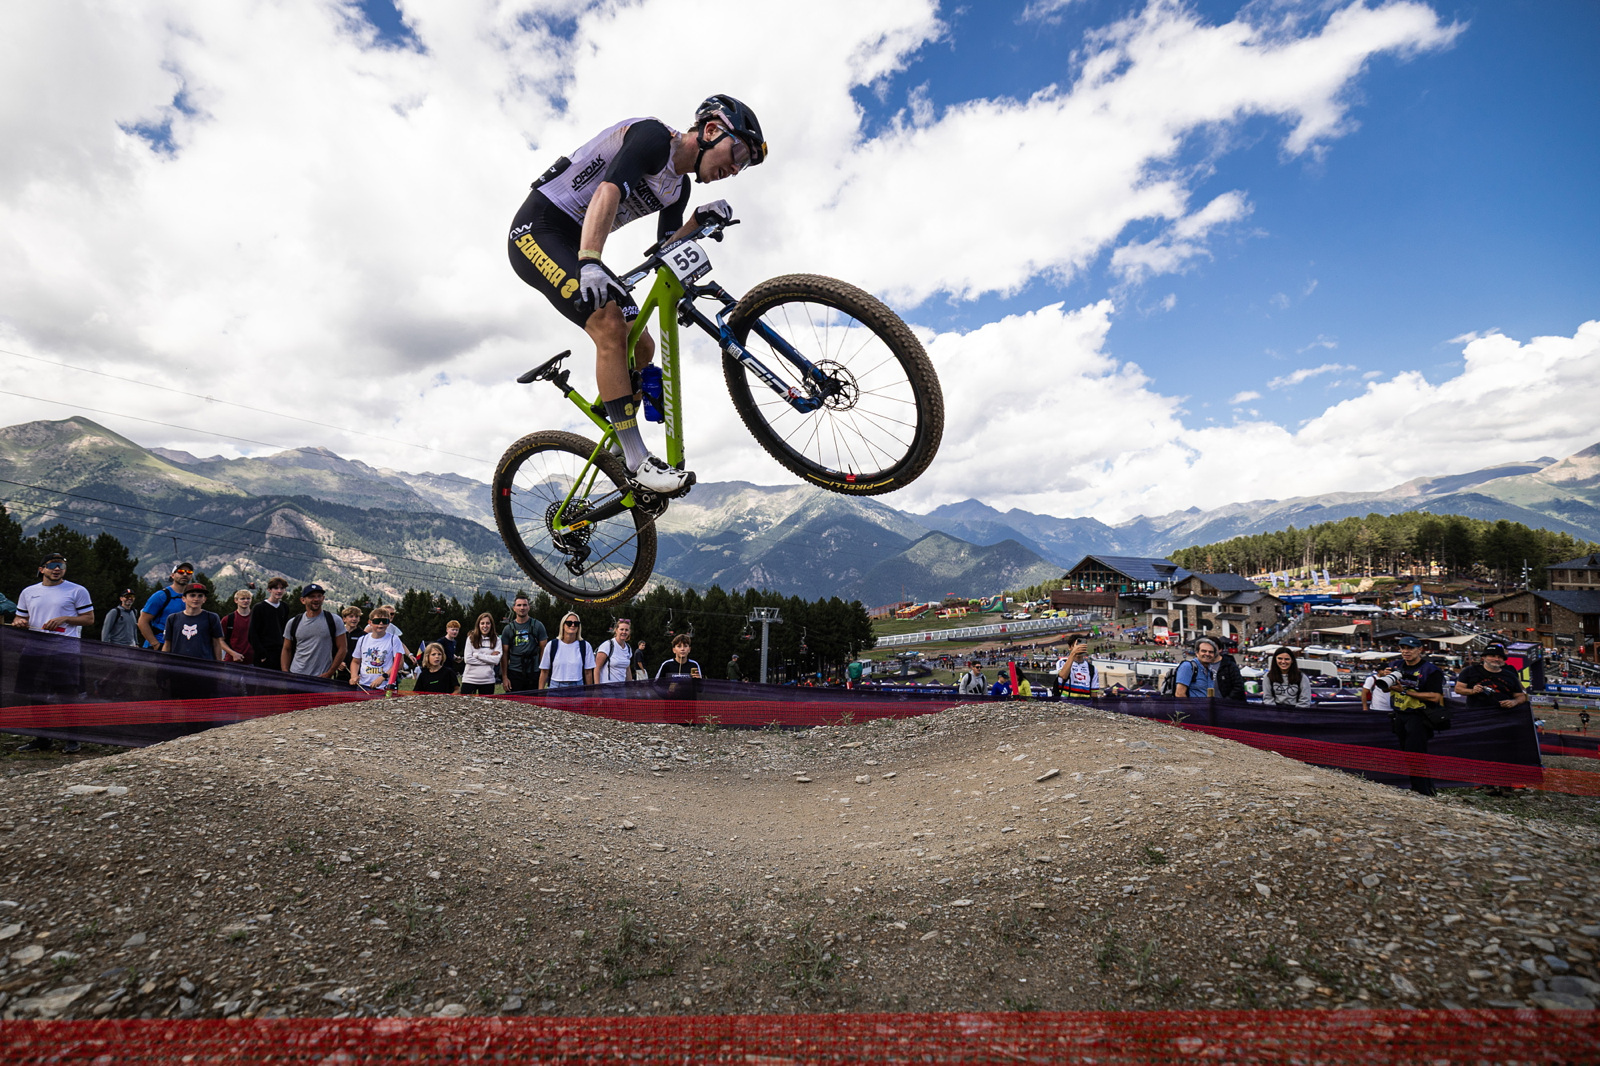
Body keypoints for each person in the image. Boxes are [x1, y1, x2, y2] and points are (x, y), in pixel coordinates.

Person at [507, 94, 767, 495]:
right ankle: (635, 458)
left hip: (578, 243)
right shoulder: (653, 138)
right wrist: (591, 261)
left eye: (744, 166)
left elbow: (665, 250)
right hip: (538, 230)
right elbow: (608, 191)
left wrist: (698, 220)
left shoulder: (677, 188)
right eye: (739, 154)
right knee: (609, 325)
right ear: (712, 130)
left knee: (642, 347)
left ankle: (616, 429)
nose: (735, 169)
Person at [11, 553, 95, 752]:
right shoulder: (28, 592)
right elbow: (19, 618)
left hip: (64, 649)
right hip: (34, 649)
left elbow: (89, 619)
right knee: (36, 694)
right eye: (52, 565)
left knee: (67, 694)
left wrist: (65, 618)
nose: (57, 569)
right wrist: (19, 622)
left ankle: (73, 739)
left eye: (61, 566)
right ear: (41, 569)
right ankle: (42, 738)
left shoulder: (77, 590)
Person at [1388, 635, 1446, 797]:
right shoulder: (1395, 665)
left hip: (1419, 715)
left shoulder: (1430, 670)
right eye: (1403, 648)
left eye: (1410, 648)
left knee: (1416, 753)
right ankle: (1418, 787)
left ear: (1420, 650)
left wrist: (1405, 691)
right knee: (1407, 753)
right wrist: (1386, 679)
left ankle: (1423, 790)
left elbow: (1435, 697)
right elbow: (1385, 689)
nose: (1406, 651)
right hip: (1399, 714)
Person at [281, 583, 345, 679]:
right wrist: (285, 672)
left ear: (323, 598)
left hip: (321, 678)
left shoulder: (334, 620)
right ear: (303, 600)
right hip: (296, 675)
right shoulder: (293, 623)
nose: (316, 599)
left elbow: (343, 648)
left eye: (319, 596)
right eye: (311, 596)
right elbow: (286, 649)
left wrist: (330, 673)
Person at [162, 584, 229, 661]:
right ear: (184, 598)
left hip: (204, 664)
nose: (196, 599)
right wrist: (163, 663)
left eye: (200, 596)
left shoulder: (212, 618)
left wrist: (218, 664)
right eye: (192, 595)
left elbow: (216, 643)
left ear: (204, 599)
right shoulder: (173, 618)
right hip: (178, 664)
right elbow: (167, 644)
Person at [350, 608, 413, 690]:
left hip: (385, 686)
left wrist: (383, 677)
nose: (381, 624)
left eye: (384, 621)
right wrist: (354, 676)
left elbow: (399, 663)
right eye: (377, 621)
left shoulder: (393, 639)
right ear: (370, 622)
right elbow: (356, 661)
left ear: (388, 623)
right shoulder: (362, 639)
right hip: (363, 685)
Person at [1453, 643, 1529, 711]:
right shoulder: (1470, 671)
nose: (1496, 659)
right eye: (1492, 656)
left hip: (1503, 714)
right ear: (1484, 657)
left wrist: (1514, 702)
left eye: (1500, 657)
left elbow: (1521, 696)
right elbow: (1458, 689)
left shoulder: (1510, 675)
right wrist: (1473, 691)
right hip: (1476, 714)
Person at [136, 562, 194, 650]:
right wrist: (155, 644)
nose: (185, 574)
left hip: (179, 647)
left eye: (189, 572)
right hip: (159, 645)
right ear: (173, 575)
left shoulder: (191, 598)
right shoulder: (161, 596)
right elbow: (142, 621)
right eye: (181, 572)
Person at [500, 595, 549, 693]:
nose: (522, 608)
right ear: (514, 608)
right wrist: (504, 677)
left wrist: (542, 673)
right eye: (519, 605)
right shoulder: (508, 629)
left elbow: (544, 650)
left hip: (534, 671)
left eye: (525, 605)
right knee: (514, 701)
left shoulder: (538, 626)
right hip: (514, 672)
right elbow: (504, 654)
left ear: (529, 607)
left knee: (534, 701)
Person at [1174, 637, 1249, 699]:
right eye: (1204, 651)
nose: (1207, 654)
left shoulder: (1209, 670)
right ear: (1197, 653)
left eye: (1211, 652)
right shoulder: (1188, 666)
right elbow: (1180, 694)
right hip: (1194, 711)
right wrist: (1192, 711)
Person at [539, 611, 596, 689]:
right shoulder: (552, 645)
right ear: (563, 625)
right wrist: (540, 692)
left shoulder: (585, 646)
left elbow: (588, 672)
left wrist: (590, 692)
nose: (573, 625)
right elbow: (544, 671)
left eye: (576, 623)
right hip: (555, 687)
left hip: (577, 687)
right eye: (569, 623)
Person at [247, 578, 292, 670]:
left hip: (281, 654)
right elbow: (252, 634)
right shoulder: (259, 608)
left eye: (282, 588)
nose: (279, 591)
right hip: (264, 655)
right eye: (276, 588)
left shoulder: (284, 607)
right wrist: (262, 654)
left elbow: (286, 631)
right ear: (269, 590)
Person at [460, 613, 503, 695]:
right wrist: (489, 659)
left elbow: (496, 660)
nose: (485, 626)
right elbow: (468, 659)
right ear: (478, 625)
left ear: (491, 625)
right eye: (482, 623)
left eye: (488, 623)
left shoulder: (497, 640)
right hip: (469, 680)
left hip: (488, 681)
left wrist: (477, 655)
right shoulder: (471, 638)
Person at [595, 618, 640, 684]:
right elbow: (597, 668)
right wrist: (597, 687)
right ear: (616, 630)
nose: (624, 632)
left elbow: (627, 670)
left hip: (621, 687)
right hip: (606, 687)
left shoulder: (628, 648)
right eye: (621, 629)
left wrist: (630, 686)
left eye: (626, 630)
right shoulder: (607, 645)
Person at [219, 589, 254, 666]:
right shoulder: (228, 619)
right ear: (236, 600)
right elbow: (220, 641)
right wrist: (233, 653)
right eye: (242, 599)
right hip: (232, 661)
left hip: (253, 661)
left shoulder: (257, 618)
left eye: (248, 598)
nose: (246, 601)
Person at [334, 606, 365, 683]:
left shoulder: (364, 635)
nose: (354, 619)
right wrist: (338, 662)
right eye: (351, 616)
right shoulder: (338, 634)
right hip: (341, 672)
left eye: (357, 617)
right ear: (344, 619)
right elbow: (333, 650)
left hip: (357, 673)